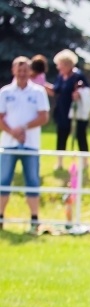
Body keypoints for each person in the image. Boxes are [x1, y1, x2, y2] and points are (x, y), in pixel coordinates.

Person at [0, 56, 50, 233]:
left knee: (32, 181)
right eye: (19, 70)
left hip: (31, 144)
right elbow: (0, 117)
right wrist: (12, 131)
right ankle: (1, 216)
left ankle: (34, 219)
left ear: (30, 71)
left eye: (25, 70)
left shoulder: (38, 92)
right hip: (9, 144)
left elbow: (44, 116)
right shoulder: (5, 92)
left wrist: (24, 127)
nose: (22, 73)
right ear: (13, 71)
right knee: (3, 181)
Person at [52, 49, 90, 171]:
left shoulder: (78, 76)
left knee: (80, 136)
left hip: (75, 112)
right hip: (62, 111)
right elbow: (55, 90)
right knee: (61, 136)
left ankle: (85, 162)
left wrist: (79, 94)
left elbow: (87, 91)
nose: (58, 67)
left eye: (60, 64)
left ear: (67, 64)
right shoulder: (60, 77)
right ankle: (59, 162)